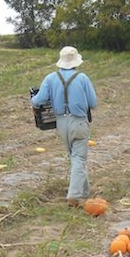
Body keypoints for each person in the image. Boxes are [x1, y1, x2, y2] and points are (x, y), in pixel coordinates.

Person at [31, 46, 97, 207]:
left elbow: (37, 101)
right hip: (79, 122)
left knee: (75, 158)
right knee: (79, 158)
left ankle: (85, 191)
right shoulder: (82, 78)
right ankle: (74, 195)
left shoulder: (50, 78)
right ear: (76, 62)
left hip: (61, 123)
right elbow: (93, 103)